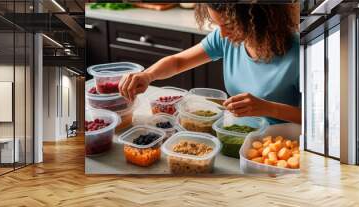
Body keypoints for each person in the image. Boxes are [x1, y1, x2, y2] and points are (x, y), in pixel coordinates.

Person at [119, 3, 301, 125]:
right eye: (217, 24)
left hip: (284, 146)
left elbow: (323, 122)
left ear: (258, 19)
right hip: (242, 136)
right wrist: (148, 75)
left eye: (230, 24)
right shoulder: (228, 39)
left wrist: (269, 108)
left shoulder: (301, 50)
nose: (221, 34)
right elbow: (178, 62)